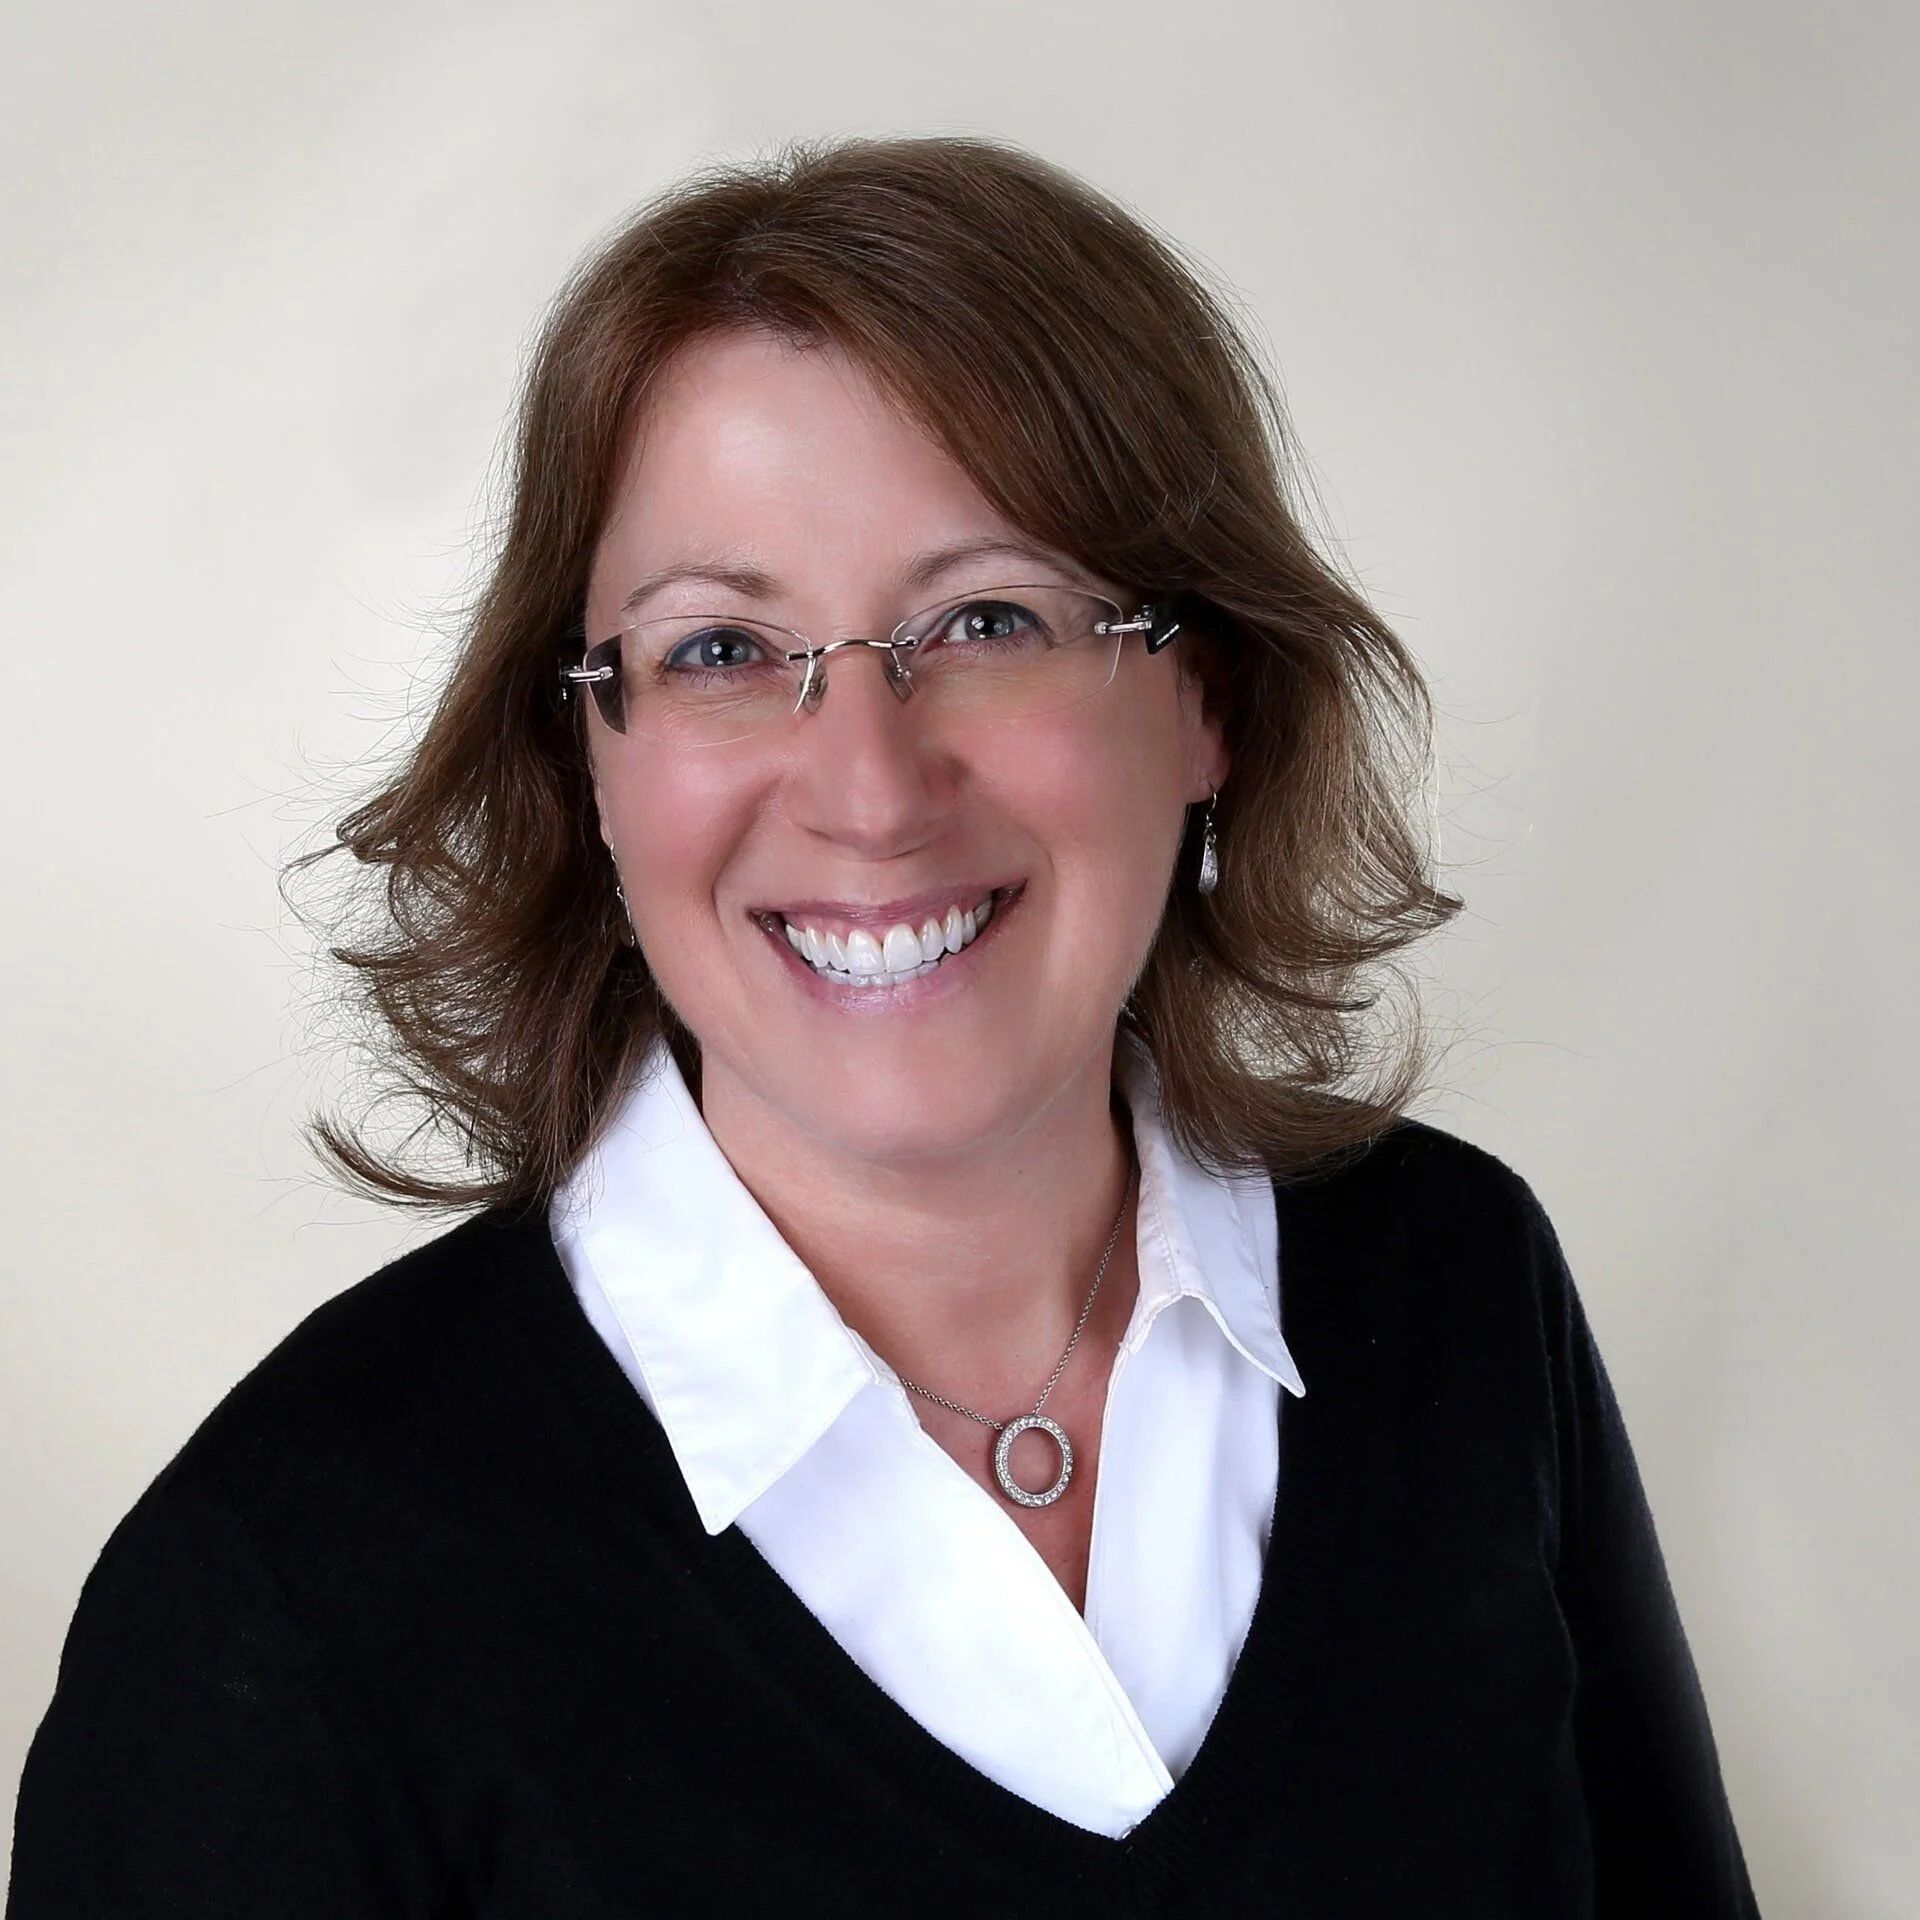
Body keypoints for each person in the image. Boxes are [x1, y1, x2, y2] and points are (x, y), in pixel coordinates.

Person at [6, 137, 1758, 1916]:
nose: (868, 789)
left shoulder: (1458, 1295)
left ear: (1208, 698)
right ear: (586, 759)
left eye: (987, 619)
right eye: (717, 652)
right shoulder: (279, 1597)